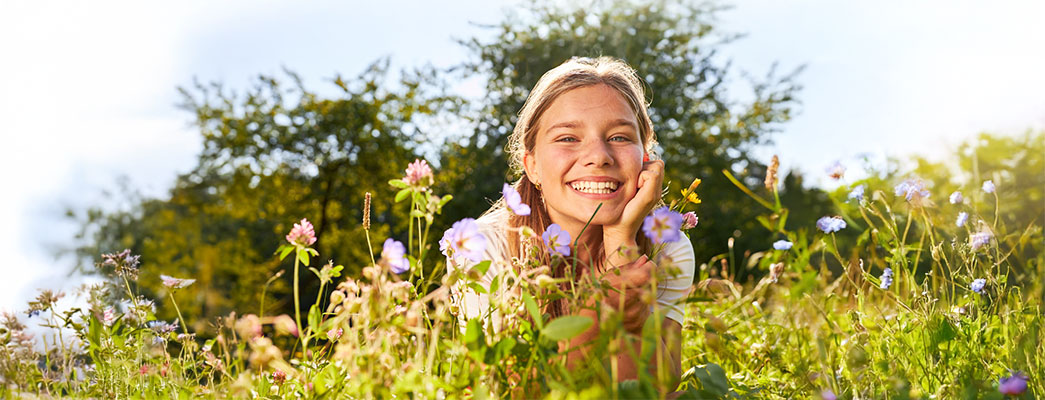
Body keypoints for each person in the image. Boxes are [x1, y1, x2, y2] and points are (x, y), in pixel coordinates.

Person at [446, 56, 695, 388]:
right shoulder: (480, 247)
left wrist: (622, 241)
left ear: (647, 160)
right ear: (531, 166)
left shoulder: (666, 248)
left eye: (620, 137)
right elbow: (511, 391)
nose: (599, 156)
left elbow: (656, 390)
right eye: (567, 138)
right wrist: (599, 313)